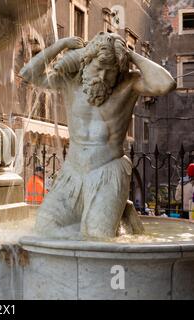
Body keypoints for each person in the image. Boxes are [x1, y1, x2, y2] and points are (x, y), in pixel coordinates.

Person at [20, 32, 176, 238]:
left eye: (109, 72)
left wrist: (130, 55)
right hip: (72, 173)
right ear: (86, 61)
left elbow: (166, 84)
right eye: (99, 68)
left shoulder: (129, 84)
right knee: (44, 229)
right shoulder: (70, 81)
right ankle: (113, 213)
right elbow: (28, 73)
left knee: (97, 236)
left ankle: (109, 208)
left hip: (108, 170)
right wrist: (60, 45)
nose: (102, 77)